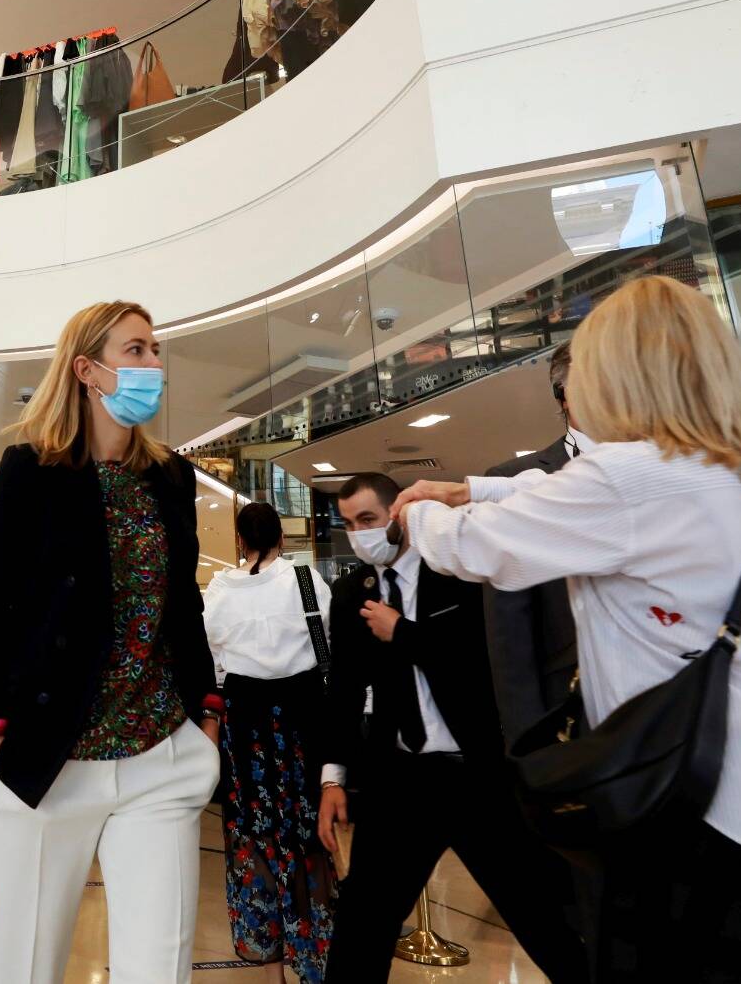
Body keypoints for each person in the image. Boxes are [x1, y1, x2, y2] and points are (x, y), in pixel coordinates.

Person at [394, 276, 741, 981]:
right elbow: (592, 495)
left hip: (715, 837)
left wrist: (417, 509)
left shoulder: (627, 481)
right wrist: (479, 486)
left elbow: (474, 546)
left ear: (618, 376)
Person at [0, 300, 223, 984]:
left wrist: (208, 709)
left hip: (157, 755)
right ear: (87, 369)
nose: (153, 364)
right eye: (136, 350)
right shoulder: (30, 470)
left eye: (155, 349)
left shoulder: (170, 477)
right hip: (50, 759)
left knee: (159, 969)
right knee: (23, 966)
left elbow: (182, 603)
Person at [318, 472, 588, 984]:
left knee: (541, 916)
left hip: (478, 774)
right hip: (400, 778)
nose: (359, 533)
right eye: (350, 524)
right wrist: (333, 776)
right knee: (362, 924)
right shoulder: (354, 591)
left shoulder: (459, 572)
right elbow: (344, 690)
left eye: (368, 520)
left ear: (397, 513)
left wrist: (404, 634)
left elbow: (482, 664)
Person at [202, 502, 334, 984]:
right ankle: (314, 954)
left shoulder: (218, 589)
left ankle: (268, 962)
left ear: (240, 540)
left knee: (252, 837)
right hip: (299, 722)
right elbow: (327, 650)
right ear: (282, 536)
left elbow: (213, 657)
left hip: (244, 726)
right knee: (303, 838)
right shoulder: (306, 582)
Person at [479, 340, 583, 744]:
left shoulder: (660, 466)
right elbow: (510, 636)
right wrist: (531, 744)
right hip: (572, 712)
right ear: (564, 395)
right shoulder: (512, 482)